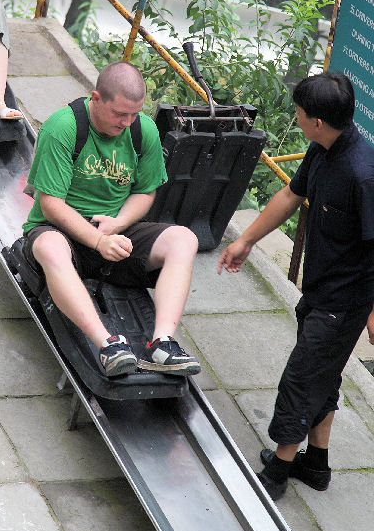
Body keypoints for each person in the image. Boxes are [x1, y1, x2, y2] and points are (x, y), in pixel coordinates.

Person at [218, 71, 374, 500]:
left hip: (344, 302)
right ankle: (316, 465)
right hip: (321, 289)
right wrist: (246, 240)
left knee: (301, 380)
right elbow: (291, 195)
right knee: (323, 376)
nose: (297, 118)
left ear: (318, 122)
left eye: (300, 114)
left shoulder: (364, 174)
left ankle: (278, 471)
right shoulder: (322, 149)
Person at [22, 61, 200, 377]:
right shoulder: (62, 127)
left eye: (134, 114)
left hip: (116, 231)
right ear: (96, 98)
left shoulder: (143, 130)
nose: (127, 122)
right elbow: (50, 205)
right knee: (49, 247)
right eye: (120, 114)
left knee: (185, 239)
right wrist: (98, 241)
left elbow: (145, 193)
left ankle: (162, 343)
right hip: (62, 232)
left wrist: (117, 224)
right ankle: (108, 345)